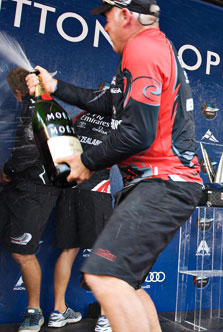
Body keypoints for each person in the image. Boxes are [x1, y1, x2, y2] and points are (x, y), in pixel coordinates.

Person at [26, 1, 203, 331]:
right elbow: (111, 103)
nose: (104, 26)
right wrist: (56, 88)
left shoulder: (142, 47)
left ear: (125, 14)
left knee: (103, 277)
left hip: (164, 182)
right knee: (128, 286)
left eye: (107, 16)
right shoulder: (155, 47)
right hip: (162, 184)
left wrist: (86, 162)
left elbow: (138, 131)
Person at [0, 67, 62, 332]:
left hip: (36, 189)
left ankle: (34, 310)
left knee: (22, 251)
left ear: (17, 92)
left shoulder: (37, 105)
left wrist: (7, 171)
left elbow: (27, 152)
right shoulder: (44, 103)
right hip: (23, 188)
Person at [48, 84, 114, 331]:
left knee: (68, 251)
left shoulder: (80, 116)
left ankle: (57, 311)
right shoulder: (118, 119)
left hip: (69, 190)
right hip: (97, 192)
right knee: (105, 255)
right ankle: (106, 317)